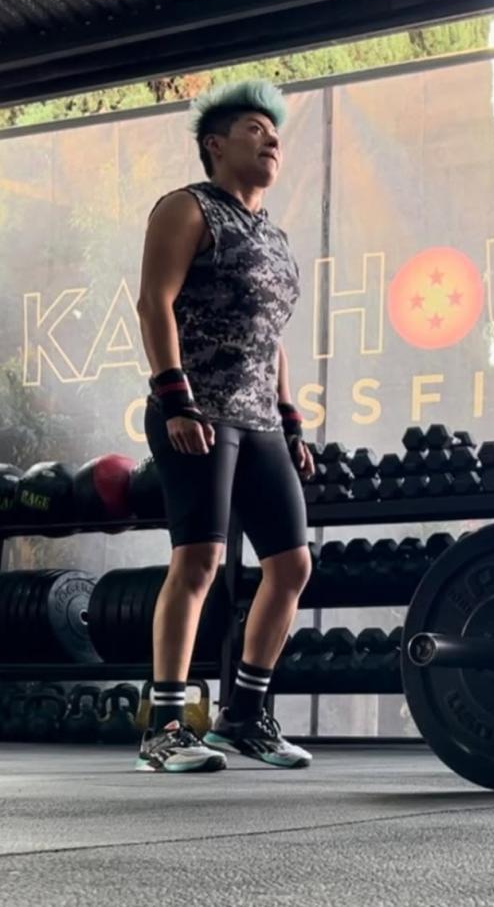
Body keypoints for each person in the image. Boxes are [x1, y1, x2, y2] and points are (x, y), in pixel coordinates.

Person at [135, 80, 315, 773]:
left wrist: (290, 420)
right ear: (215, 144)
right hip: (196, 411)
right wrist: (175, 398)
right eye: (253, 129)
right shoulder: (188, 207)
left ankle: (242, 718)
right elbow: (155, 302)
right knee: (199, 562)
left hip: (259, 419)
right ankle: (164, 729)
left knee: (292, 566)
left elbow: (271, 337)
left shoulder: (274, 237)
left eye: (275, 133)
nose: (271, 140)